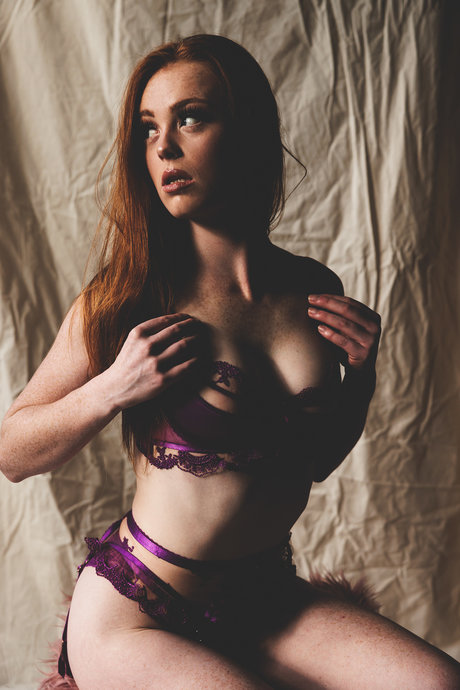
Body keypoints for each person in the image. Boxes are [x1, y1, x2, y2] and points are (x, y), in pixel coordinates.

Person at [1, 34, 459, 690]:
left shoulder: (311, 288)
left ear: (247, 132)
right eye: (149, 128)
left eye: (190, 118)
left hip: (264, 600)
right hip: (139, 612)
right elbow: (11, 452)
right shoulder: (130, 296)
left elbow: (313, 460)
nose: (164, 147)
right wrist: (111, 389)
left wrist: (360, 379)